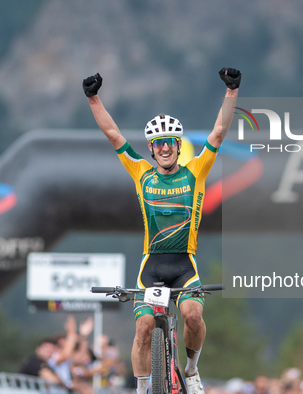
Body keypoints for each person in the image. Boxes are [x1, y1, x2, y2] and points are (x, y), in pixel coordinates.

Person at [83, 66, 241, 394]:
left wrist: (231, 92)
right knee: (142, 327)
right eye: (159, 143)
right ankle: (143, 388)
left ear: (177, 146)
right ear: (152, 149)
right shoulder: (141, 173)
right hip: (151, 265)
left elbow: (218, 134)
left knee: (192, 315)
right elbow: (114, 136)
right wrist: (93, 98)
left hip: (185, 264)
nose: (165, 147)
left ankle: (192, 370)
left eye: (170, 142)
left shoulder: (195, 172)